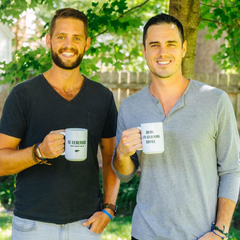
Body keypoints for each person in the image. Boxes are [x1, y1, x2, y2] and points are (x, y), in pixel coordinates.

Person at [112, 13, 240, 240]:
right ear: (144, 50)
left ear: (183, 48)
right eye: (154, 45)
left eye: (171, 44)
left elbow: (231, 170)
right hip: (145, 234)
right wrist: (121, 154)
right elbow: (125, 175)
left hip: (199, 236)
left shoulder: (215, 101)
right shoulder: (130, 107)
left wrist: (220, 232)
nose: (162, 52)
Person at [0, 8, 120, 240]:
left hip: (86, 225)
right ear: (49, 40)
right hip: (32, 225)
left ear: (87, 43)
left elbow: (111, 158)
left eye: (76, 38)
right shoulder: (23, 95)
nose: (69, 44)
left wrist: (109, 209)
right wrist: (39, 152)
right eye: (61, 36)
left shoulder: (102, 97)